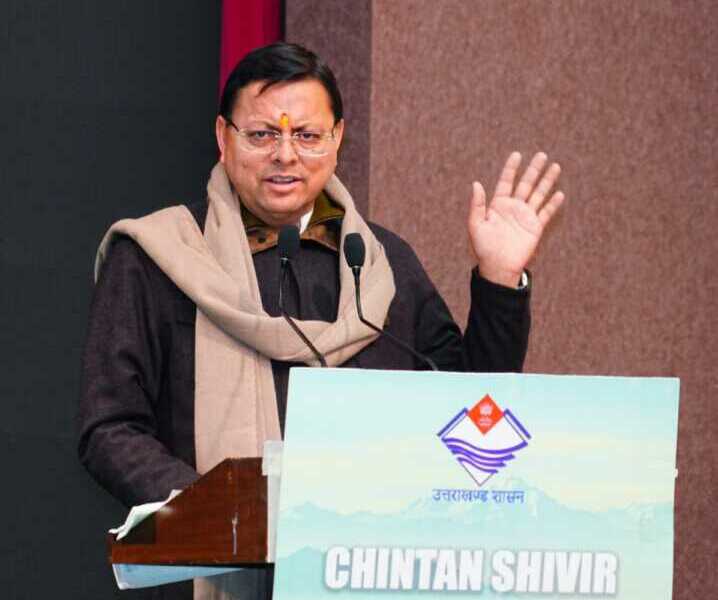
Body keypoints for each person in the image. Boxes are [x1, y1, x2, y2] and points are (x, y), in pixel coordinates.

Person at [79, 42, 564, 600]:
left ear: (337, 139)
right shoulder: (159, 258)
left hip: (369, 575)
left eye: (307, 135)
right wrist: (218, 513)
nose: (285, 155)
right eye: (262, 134)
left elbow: (470, 410)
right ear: (223, 137)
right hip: (209, 570)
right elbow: (109, 427)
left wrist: (500, 279)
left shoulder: (381, 265)